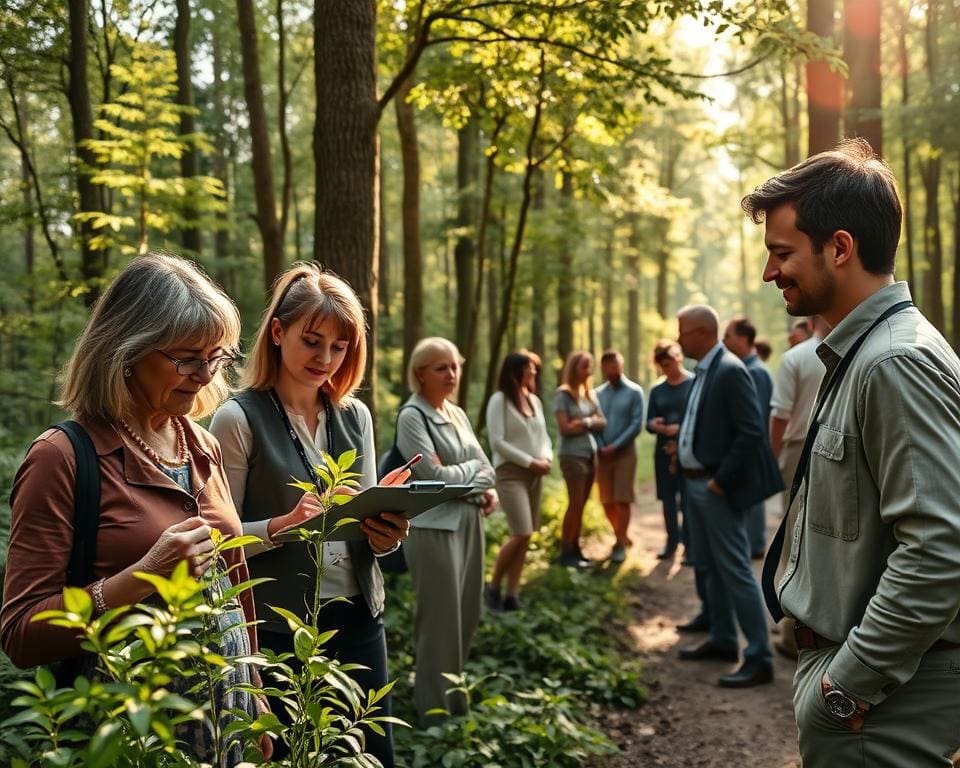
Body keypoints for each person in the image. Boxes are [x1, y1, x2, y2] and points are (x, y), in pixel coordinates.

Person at [0, 252, 269, 765]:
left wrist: (254, 697)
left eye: (216, 356)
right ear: (126, 352)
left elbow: (234, 581)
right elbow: (20, 635)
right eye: (187, 358)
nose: (204, 373)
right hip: (131, 736)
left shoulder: (201, 445)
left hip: (226, 721)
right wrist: (143, 576)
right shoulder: (62, 457)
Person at [745, 138, 960, 766]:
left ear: (839, 247)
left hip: (885, 699)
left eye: (781, 253)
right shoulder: (862, 354)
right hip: (873, 689)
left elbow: (941, 549)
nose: (769, 272)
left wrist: (847, 687)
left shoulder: (895, 362)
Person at [209, 263, 409, 765]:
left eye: (339, 347)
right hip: (278, 627)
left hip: (360, 616)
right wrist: (280, 527)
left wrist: (387, 534)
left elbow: (361, 521)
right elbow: (219, 543)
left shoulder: (355, 416)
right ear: (278, 332)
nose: (325, 359)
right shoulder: (237, 418)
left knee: (370, 755)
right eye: (312, 341)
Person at [674, 304, 782, 688]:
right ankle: (722, 639)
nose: (677, 338)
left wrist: (720, 480)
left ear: (702, 333)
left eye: (682, 331)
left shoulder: (731, 370)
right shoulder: (705, 370)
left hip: (715, 488)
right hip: (694, 484)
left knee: (735, 568)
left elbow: (751, 431)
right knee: (708, 564)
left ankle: (758, 657)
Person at [396, 337, 497, 722]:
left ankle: (455, 700)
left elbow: (487, 468)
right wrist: (470, 475)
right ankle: (435, 713)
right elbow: (432, 479)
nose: (451, 374)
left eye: (454, 366)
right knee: (440, 622)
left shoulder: (457, 414)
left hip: (469, 522)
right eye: (441, 367)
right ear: (421, 374)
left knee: (468, 613)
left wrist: (465, 478)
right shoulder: (411, 417)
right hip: (434, 530)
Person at [767, 314, 826, 660]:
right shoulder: (853, 351)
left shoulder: (795, 358)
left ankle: (792, 633)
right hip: (833, 448)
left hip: (796, 451)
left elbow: (780, 415)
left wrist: (771, 461)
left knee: (793, 539)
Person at [484, 350, 552, 611]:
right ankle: (492, 588)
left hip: (536, 474)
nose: (534, 372)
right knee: (521, 531)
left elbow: (544, 437)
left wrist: (545, 458)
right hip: (510, 473)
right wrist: (529, 461)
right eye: (530, 368)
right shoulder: (499, 401)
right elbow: (497, 442)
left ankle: (512, 595)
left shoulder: (534, 400)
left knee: (526, 535)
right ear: (515, 371)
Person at [722, 315, 776, 558]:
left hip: (753, 449)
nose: (724, 341)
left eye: (728, 336)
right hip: (748, 447)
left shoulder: (756, 372)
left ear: (743, 339)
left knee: (753, 501)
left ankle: (754, 546)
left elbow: (759, 417)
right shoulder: (747, 369)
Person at [553, 350, 606, 568]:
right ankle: (566, 552)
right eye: (584, 366)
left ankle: (576, 549)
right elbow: (565, 428)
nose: (589, 370)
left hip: (589, 454)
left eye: (590, 366)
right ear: (574, 368)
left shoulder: (589, 394)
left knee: (582, 504)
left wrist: (582, 422)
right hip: (572, 455)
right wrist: (588, 421)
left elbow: (602, 421)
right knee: (574, 504)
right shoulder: (563, 394)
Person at [595, 350, 644, 563]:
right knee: (606, 500)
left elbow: (636, 423)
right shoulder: (596, 394)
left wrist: (616, 445)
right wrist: (601, 446)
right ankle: (621, 534)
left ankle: (619, 544)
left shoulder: (635, 392)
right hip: (602, 454)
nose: (612, 371)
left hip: (625, 453)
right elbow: (593, 422)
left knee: (622, 498)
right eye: (608, 367)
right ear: (603, 368)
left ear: (621, 366)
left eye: (616, 366)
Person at [646, 340, 694, 561]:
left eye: (670, 363)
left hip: (688, 449)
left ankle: (690, 545)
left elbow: (702, 418)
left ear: (678, 359)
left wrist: (680, 428)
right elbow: (649, 422)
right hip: (663, 450)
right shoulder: (657, 390)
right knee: (667, 499)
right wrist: (655, 425)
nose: (668, 368)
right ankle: (671, 542)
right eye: (663, 365)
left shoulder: (694, 383)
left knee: (687, 498)